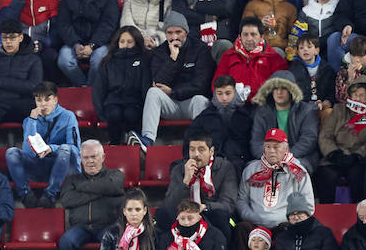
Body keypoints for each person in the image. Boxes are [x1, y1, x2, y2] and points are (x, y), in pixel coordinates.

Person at [136, 13, 212, 148]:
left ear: (186, 32)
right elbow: (157, 82)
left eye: (178, 32)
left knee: (200, 100)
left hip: (190, 102)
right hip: (170, 103)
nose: (174, 37)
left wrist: (173, 91)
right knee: (153, 92)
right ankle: (147, 140)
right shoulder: (160, 51)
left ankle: (200, 143)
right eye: (170, 33)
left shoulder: (200, 49)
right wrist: (172, 59)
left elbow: (201, 85)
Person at [6, 81, 80, 208]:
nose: (43, 104)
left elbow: (75, 149)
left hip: (60, 165)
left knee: (65, 149)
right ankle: (25, 194)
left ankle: (51, 194)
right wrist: (32, 121)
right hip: (38, 164)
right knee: (11, 152)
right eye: (39, 100)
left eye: (47, 99)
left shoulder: (68, 116)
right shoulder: (29, 120)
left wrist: (52, 148)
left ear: (55, 100)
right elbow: (28, 151)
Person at [0, 20, 43, 147]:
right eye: (5, 38)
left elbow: (34, 86)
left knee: (39, 108)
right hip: (0, 104)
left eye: (12, 37)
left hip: (24, 104)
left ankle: (37, 150)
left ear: (20, 38)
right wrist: (13, 95)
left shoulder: (33, 59)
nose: (8, 42)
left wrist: (4, 82)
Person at [56, 141, 125, 250]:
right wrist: (103, 191)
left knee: (111, 239)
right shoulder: (72, 179)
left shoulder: (115, 175)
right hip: (80, 227)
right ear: (80, 159)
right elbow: (66, 200)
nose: (90, 161)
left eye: (94, 157)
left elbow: (114, 186)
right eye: (86, 157)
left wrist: (81, 188)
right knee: (65, 242)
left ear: (103, 157)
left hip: (107, 226)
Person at [316, 80, 366, 202]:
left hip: (357, 158)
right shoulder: (338, 109)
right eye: (354, 94)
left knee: (357, 176)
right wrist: (333, 153)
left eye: (361, 95)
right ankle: (325, 211)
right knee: (327, 175)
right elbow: (325, 135)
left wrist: (357, 155)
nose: (357, 98)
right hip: (335, 156)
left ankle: (358, 210)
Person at [53, 0, 120, 86]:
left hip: (100, 43)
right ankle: (82, 85)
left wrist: (92, 45)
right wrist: (75, 44)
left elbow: (109, 24)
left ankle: (91, 87)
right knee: (64, 60)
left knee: (99, 60)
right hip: (74, 42)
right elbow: (64, 24)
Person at [238, 129, 314, 230]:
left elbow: (308, 205)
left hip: (286, 225)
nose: (271, 151)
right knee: (241, 228)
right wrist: (252, 216)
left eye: (276, 147)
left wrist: (290, 218)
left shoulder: (298, 172)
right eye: (268, 146)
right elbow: (241, 200)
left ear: (286, 148)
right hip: (255, 224)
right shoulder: (251, 170)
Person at [92, 27, 150, 146]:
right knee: (114, 114)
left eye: (129, 42)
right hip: (112, 102)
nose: (125, 45)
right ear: (117, 42)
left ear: (136, 42)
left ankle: (134, 146)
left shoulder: (143, 60)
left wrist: (146, 109)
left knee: (131, 114)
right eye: (122, 41)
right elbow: (99, 89)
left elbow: (145, 86)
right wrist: (100, 112)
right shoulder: (107, 61)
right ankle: (114, 145)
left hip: (135, 102)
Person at [186, 75, 256, 169]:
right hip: (210, 163)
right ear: (215, 94)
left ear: (234, 93)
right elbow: (190, 140)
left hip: (239, 162)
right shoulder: (205, 116)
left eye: (228, 93)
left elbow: (253, 143)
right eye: (220, 93)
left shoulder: (246, 117)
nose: (224, 98)